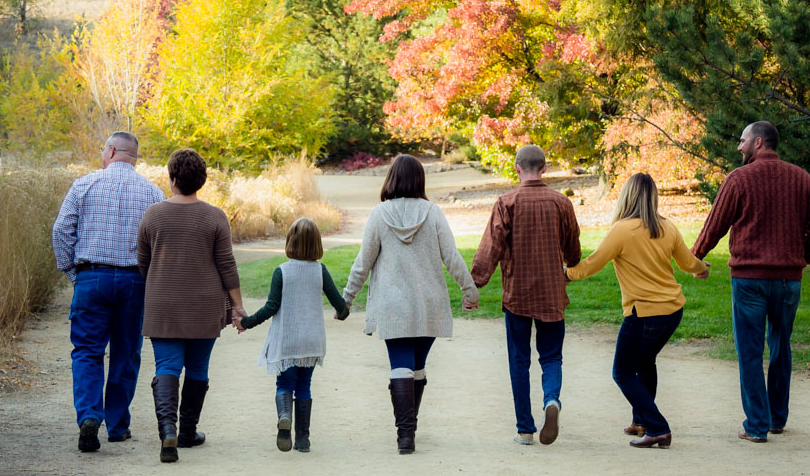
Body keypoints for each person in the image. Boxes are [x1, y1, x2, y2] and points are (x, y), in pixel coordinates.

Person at [691, 121, 810, 444]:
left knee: (750, 352)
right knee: (781, 346)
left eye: (743, 141)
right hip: (787, 282)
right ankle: (777, 418)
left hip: (749, 280)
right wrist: (800, 258)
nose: (738, 147)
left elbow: (715, 225)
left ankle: (756, 425)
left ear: (759, 143)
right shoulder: (801, 178)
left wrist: (695, 257)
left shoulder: (739, 179)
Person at [342, 154, 479, 454]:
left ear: (391, 178)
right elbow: (451, 256)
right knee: (416, 367)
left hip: (393, 306)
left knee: (403, 366)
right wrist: (470, 290)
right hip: (428, 304)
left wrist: (347, 298)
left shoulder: (379, 215)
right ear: (420, 180)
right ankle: (409, 428)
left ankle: (406, 435)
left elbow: (362, 262)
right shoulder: (433, 213)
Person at [566, 173, 709, 449]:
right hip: (672, 311)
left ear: (626, 196)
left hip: (643, 314)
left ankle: (658, 427)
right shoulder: (667, 228)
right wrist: (702, 269)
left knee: (622, 372)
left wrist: (566, 273)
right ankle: (642, 421)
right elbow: (687, 261)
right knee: (645, 362)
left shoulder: (622, 230)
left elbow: (592, 264)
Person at [52, 131, 166, 453]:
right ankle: (117, 426)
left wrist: (74, 272)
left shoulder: (84, 184)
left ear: (111, 150)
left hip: (92, 277)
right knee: (126, 353)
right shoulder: (152, 193)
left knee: (87, 350)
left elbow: (61, 231)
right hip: (134, 281)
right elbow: (160, 242)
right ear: (134, 157)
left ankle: (89, 416)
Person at [137, 148, 245, 464]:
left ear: (172, 179)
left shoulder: (152, 215)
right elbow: (226, 264)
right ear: (201, 180)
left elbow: (143, 261)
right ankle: (187, 432)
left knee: (167, 366)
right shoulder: (214, 216)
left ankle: (167, 430)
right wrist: (237, 306)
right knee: (198, 368)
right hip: (204, 306)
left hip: (163, 305)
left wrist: (159, 281)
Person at [470, 144, 582, 445]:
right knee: (552, 356)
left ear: (518, 168)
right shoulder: (562, 203)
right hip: (552, 293)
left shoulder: (507, 202)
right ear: (544, 168)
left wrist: (475, 284)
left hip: (517, 293)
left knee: (519, 359)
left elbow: (489, 248)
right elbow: (573, 249)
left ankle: (525, 429)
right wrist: (570, 264)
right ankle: (552, 400)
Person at [237, 217, 350, 453]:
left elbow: (271, 307)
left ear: (290, 242)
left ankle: (285, 417)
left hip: (287, 340)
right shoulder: (320, 271)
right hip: (312, 340)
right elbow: (338, 303)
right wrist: (342, 313)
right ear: (317, 244)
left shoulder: (282, 272)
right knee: (305, 386)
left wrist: (247, 322)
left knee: (285, 383)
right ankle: (303, 439)